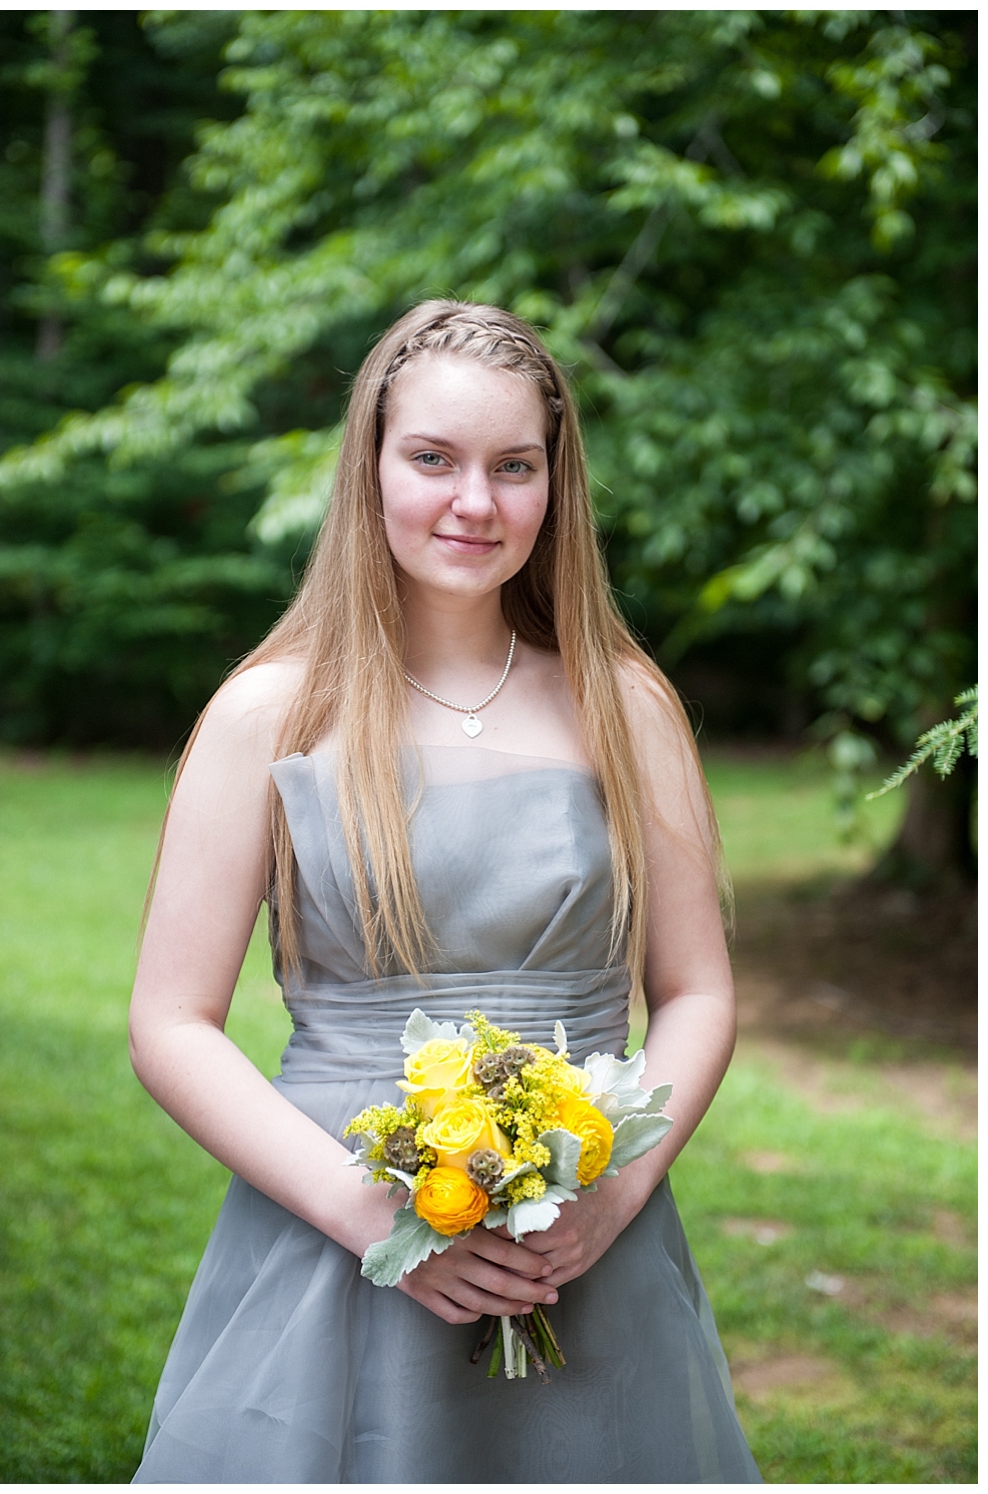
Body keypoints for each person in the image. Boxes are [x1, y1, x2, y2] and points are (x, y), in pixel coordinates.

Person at [129, 300, 762, 1483]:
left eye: (512, 467)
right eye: (433, 458)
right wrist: (379, 1227)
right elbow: (168, 1024)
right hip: (335, 1236)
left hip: (579, 1249)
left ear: (551, 486)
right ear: (368, 466)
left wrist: (609, 1204)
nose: (474, 502)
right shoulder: (273, 711)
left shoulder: (625, 708)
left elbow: (697, 992)